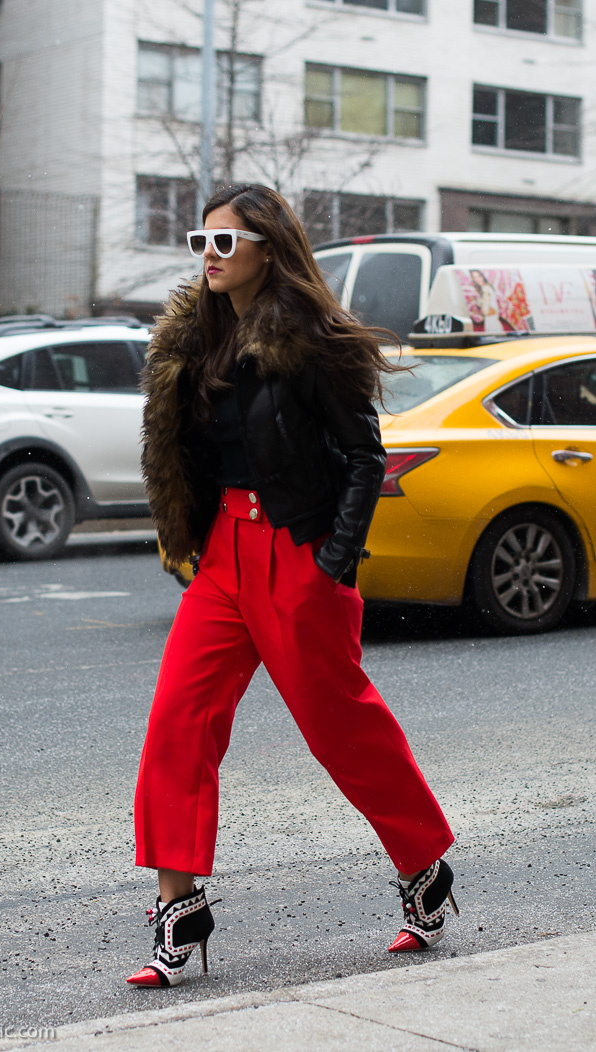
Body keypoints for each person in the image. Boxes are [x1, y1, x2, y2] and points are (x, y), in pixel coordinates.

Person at [128, 184, 457, 989]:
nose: (209, 256)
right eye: (199, 242)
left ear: (267, 250)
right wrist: (190, 537)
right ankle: (180, 911)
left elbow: (364, 458)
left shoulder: (313, 340)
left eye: (225, 244)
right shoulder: (194, 339)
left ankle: (425, 871)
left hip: (295, 554)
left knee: (339, 727)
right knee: (178, 720)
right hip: (221, 559)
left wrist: (331, 565)